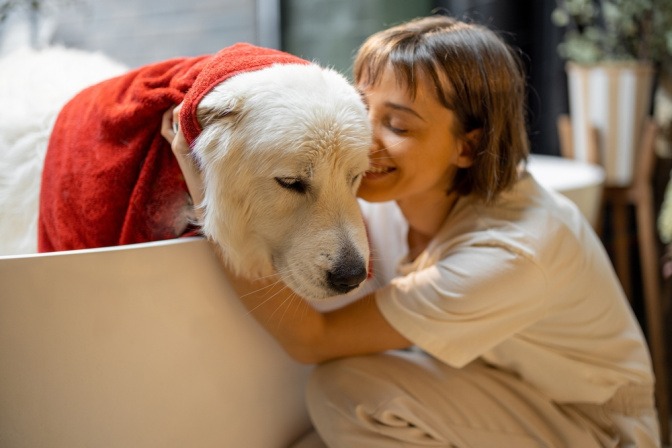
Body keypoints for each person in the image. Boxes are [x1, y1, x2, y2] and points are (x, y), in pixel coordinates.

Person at [162, 14, 660, 448]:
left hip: (592, 427)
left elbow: (312, 339)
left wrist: (212, 201)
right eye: (362, 108)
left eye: (397, 126)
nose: (366, 142)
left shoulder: (510, 252)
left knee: (347, 393)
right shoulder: (390, 189)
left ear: (467, 147)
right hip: (493, 391)